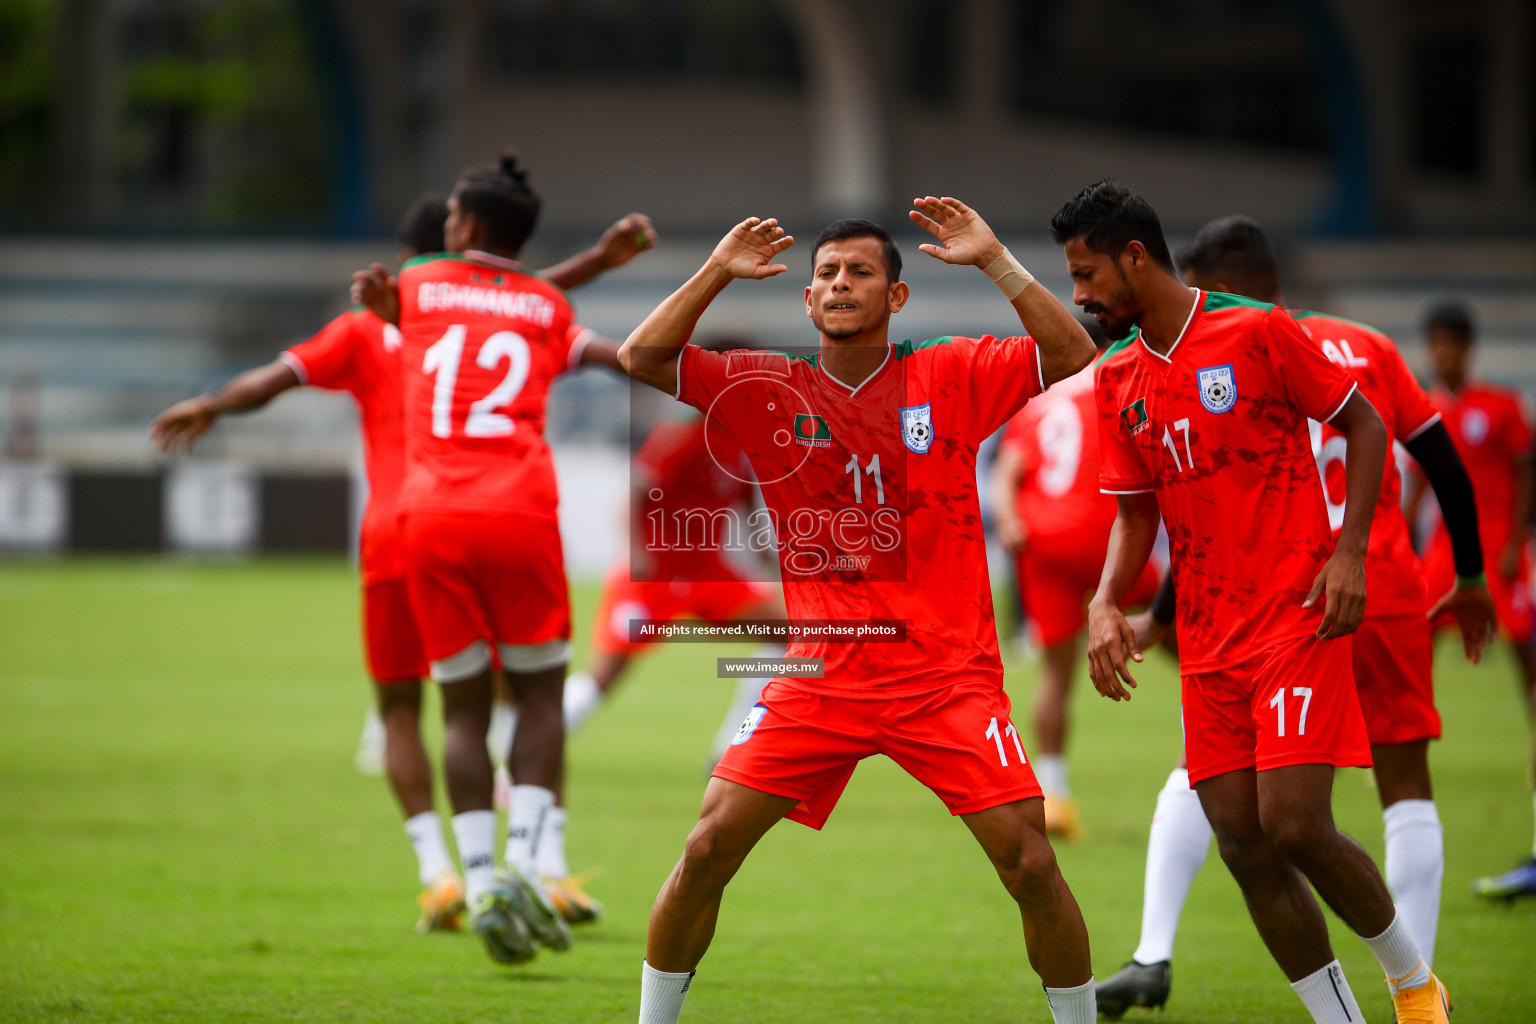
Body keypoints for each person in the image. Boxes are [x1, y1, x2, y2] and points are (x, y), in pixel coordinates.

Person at [619, 200, 1100, 1024]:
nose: (841, 284)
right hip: (820, 678)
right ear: (808, 302)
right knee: (705, 850)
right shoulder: (766, 388)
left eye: (861, 272)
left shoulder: (952, 372)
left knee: (1028, 861)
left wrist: (995, 259)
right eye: (828, 275)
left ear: (896, 298)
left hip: (945, 677)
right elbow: (642, 355)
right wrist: (715, 271)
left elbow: (1073, 351)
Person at [152, 196, 654, 936]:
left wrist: (210, 404)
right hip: (503, 518)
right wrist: (597, 265)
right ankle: (538, 865)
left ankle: (443, 875)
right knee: (527, 699)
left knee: (408, 712)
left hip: (404, 537)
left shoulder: (378, 321)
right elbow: (525, 293)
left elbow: (274, 377)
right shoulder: (507, 306)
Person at [1092, 214, 1494, 1018]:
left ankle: (1412, 987)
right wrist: (1473, 573)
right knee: (1343, 800)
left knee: (1293, 820)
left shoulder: (1262, 338)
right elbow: (1189, 502)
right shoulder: (1368, 344)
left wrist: (1160, 613)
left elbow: (1353, 438)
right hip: (1367, 592)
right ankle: (1383, 982)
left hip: (1315, 593)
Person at [351, 150, 645, 964]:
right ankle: (524, 865)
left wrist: (388, 307)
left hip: (428, 518)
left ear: (466, 227)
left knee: (462, 706)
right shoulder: (545, 303)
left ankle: (476, 878)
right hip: (517, 512)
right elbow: (598, 343)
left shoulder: (417, 284)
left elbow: (453, 293)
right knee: (541, 696)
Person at [989, 318, 1161, 839]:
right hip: (1111, 536)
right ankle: (1224, 756)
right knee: (1185, 627)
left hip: (1043, 542)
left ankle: (1055, 795)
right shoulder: (1126, 378)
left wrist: (1010, 521)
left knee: (1055, 676)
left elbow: (1007, 473)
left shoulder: (1041, 399)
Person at [562, 385, 789, 769]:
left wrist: (768, 557)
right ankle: (521, 759)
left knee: (793, 635)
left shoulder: (739, 447)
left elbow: (745, 507)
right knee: (603, 676)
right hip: (655, 578)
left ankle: (731, 751)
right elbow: (632, 496)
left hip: (707, 574)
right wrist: (637, 553)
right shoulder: (682, 438)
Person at [1408, 300, 1536, 901]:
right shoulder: (1426, 405)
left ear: (1468, 347)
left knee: (1524, 653)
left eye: (1451, 343)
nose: (1443, 353)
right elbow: (1413, 480)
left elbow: (1525, 471)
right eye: (1435, 343)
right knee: (1410, 638)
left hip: (1498, 554)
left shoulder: (1501, 407)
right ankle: (1403, 738)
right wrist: (1406, 535)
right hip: (1440, 555)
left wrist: (1516, 541)